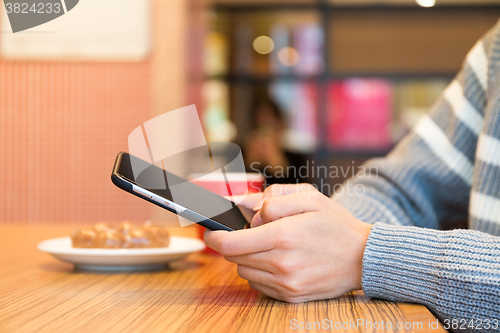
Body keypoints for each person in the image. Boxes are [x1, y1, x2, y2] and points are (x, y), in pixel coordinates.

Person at [204, 20, 500, 332]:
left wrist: (364, 253)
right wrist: (319, 232)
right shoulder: (495, 50)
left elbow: (350, 221)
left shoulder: (294, 153)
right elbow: (401, 188)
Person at [243, 99, 309, 185]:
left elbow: (303, 190)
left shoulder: (295, 157)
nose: (264, 122)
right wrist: (249, 164)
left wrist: (280, 168)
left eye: (270, 119)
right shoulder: (242, 153)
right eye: (260, 119)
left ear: (280, 123)